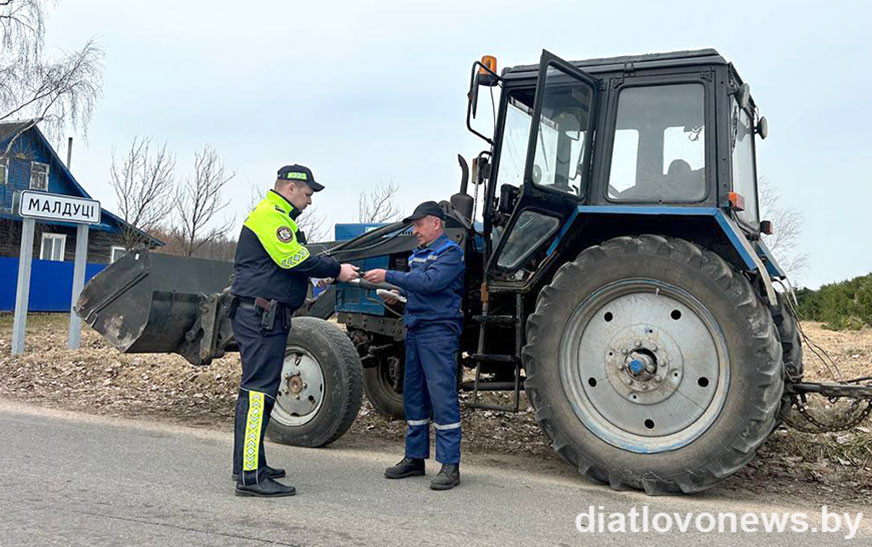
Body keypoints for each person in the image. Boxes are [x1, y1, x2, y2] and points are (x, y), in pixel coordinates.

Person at [229, 164, 359, 497]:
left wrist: (319, 274)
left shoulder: (278, 217)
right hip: (261, 316)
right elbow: (293, 260)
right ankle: (250, 476)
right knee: (258, 393)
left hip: (265, 315)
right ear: (289, 188)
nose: (309, 201)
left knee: (260, 392)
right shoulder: (271, 216)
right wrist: (337, 269)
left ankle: (249, 462)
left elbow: (288, 265)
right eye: (307, 194)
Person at [363, 201, 465, 490]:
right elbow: (417, 285)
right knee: (414, 395)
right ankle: (414, 458)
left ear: (436, 223)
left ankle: (450, 465)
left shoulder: (450, 253)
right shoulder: (419, 253)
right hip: (416, 329)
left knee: (442, 397)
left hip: (438, 332)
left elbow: (432, 283)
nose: (415, 231)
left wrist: (388, 276)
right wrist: (396, 293)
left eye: (419, 225)